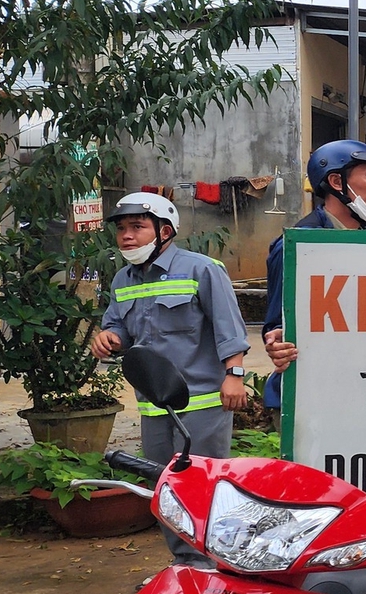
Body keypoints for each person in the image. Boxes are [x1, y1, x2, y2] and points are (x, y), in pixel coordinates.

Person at [91, 192, 249, 463]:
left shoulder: (202, 269)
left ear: (164, 231)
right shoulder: (122, 280)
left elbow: (230, 328)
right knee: (162, 482)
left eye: (137, 227)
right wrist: (109, 337)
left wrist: (234, 376)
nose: (126, 236)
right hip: (153, 404)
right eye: (121, 229)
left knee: (200, 482)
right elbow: (119, 329)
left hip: (202, 402)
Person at [260, 140, 366, 409]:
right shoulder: (299, 246)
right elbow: (277, 321)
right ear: (336, 181)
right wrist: (278, 341)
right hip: (314, 396)